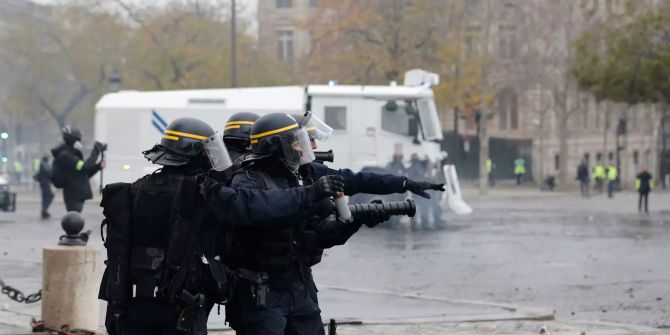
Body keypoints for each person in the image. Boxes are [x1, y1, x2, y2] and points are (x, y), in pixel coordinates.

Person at [99, 117, 343, 335]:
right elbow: (252, 208)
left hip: (129, 303)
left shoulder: (133, 191)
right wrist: (311, 195)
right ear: (197, 154)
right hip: (180, 301)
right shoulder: (206, 193)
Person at [224, 113, 391, 335]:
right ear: (276, 147)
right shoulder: (246, 180)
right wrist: (309, 194)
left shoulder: (298, 178)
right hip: (261, 294)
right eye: (295, 142)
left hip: (299, 287)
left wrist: (355, 221)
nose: (302, 148)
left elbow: (318, 236)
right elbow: (264, 209)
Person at [51, 126, 106, 212]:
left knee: (76, 220)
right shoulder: (66, 156)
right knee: (74, 221)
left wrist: (98, 167)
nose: (80, 141)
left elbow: (84, 174)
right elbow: (85, 167)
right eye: (78, 139)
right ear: (73, 140)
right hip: (73, 196)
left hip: (77, 195)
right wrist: (96, 150)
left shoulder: (72, 154)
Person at [33, 154, 54, 219]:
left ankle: (44, 211)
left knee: (45, 197)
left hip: (44, 182)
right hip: (45, 183)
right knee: (49, 196)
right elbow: (48, 171)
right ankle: (44, 210)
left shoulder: (43, 163)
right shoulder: (43, 164)